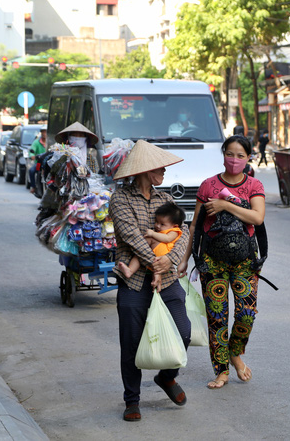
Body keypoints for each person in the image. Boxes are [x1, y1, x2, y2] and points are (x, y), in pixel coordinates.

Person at [109, 140, 191, 422]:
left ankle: (167, 378)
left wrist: (171, 259)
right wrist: (156, 261)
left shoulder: (163, 199)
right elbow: (130, 235)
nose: (165, 171)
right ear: (145, 170)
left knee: (183, 332)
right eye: (160, 167)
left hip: (166, 280)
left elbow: (183, 231)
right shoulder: (120, 199)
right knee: (131, 344)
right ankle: (132, 400)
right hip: (133, 283)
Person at [178, 135, 265, 390]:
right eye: (230, 154)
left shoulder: (254, 185)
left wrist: (226, 205)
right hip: (212, 260)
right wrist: (185, 259)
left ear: (248, 157)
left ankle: (235, 352)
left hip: (245, 261)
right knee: (217, 317)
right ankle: (222, 371)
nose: (234, 160)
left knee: (246, 314)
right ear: (223, 154)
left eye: (240, 155)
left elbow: (257, 218)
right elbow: (195, 226)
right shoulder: (208, 186)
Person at [118, 201, 185, 291]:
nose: (157, 225)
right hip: (155, 252)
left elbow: (167, 239)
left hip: (164, 253)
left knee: (157, 267)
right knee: (139, 254)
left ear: (175, 225)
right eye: (156, 222)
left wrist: (153, 234)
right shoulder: (164, 229)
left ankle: (156, 283)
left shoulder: (175, 231)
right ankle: (130, 270)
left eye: (162, 224)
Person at [28, 127, 47, 193]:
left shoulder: (50, 142)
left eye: (46, 132)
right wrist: (32, 155)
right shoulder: (36, 142)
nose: (44, 134)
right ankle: (33, 186)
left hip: (49, 163)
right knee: (31, 171)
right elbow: (31, 151)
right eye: (43, 132)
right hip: (39, 163)